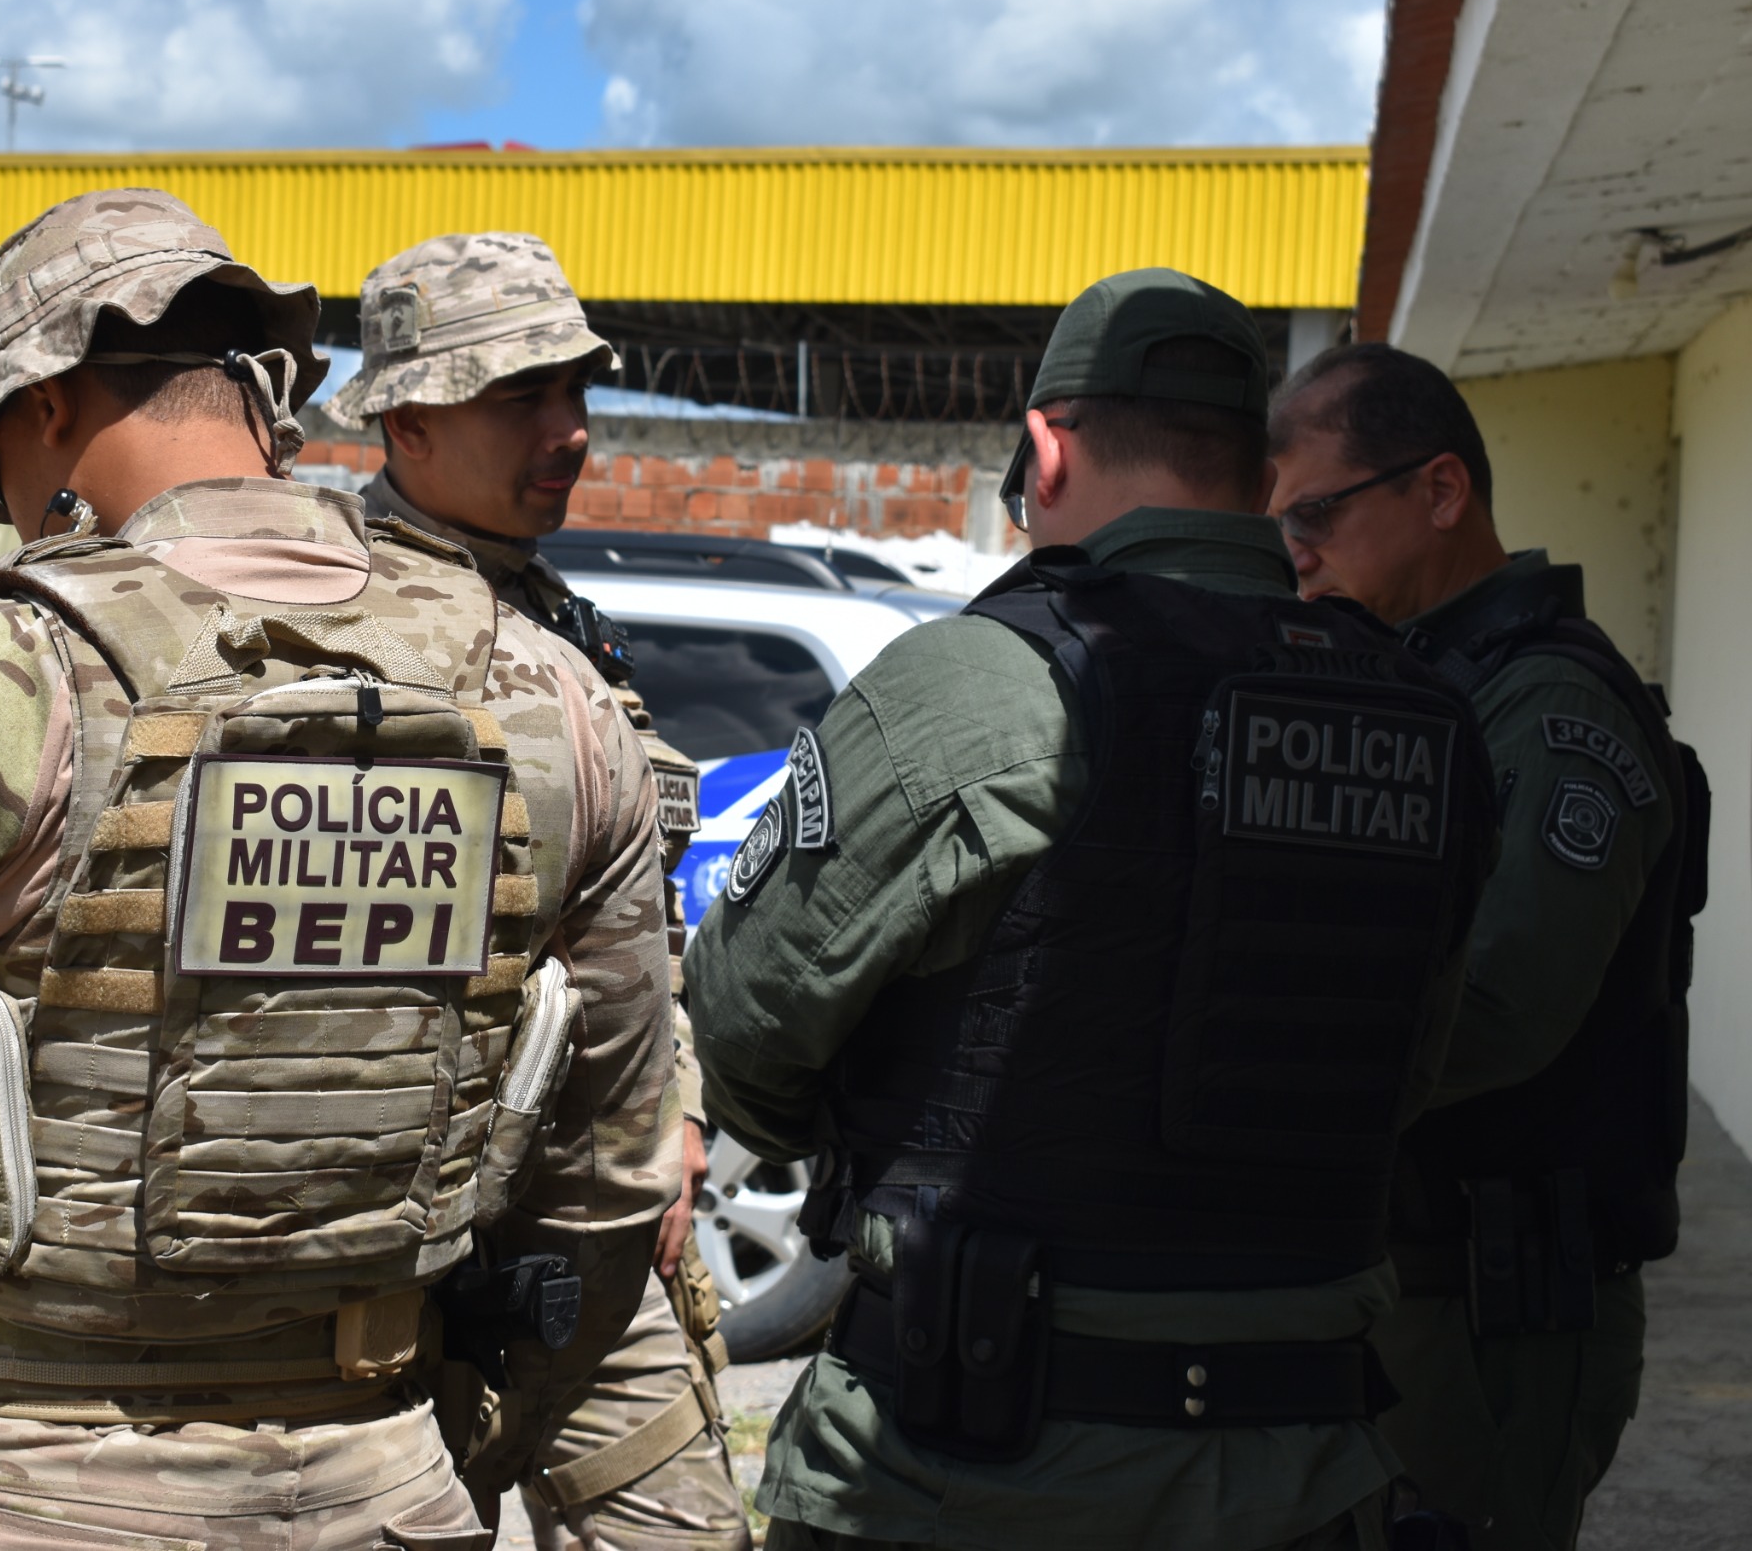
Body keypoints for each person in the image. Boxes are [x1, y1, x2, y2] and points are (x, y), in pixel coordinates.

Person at [0, 189, 683, 1549]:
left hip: (15, 1486)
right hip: (384, 1487)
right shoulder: (547, 694)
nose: (19, 518)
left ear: (43, 408)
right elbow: (611, 1182)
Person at [685, 268, 1502, 1550]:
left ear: (1048, 446)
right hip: (1305, 1466)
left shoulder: (977, 685)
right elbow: (1409, 1066)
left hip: (976, 1466)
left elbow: (743, 1030)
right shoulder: (1428, 723)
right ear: (1255, 466)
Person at [326, 231, 745, 1551]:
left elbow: (634, 932)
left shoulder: (562, 627)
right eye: (521, 395)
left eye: (577, 391)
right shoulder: (320, 621)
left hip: (590, 1225)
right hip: (391, 1239)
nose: (568, 430)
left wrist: (667, 1116)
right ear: (405, 416)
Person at [1267, 343, 1705, 1549]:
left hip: (1500, 1308)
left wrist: (1259, 1061)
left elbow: (1503, 1001)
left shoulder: (1553, 710)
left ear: (1441, 490)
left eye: (1314, 512)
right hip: (1407, 1274)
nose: (1292, 549)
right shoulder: (1419, 684)